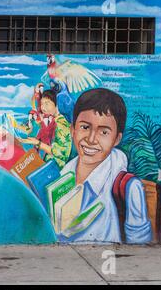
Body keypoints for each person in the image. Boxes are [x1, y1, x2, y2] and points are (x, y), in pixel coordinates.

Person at [60, 88, 152, 244]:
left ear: (116, 139)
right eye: (85, 127)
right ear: (72, 130)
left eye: (104, 132)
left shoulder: (130, 187)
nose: (91, 139)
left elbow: (139, 248)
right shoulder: (62, 176)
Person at [19, 90, 71, 168]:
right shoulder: (51, 120)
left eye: (47, 104)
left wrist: (38, 143)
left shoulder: (61, 123)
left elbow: (60, 153)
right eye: (42, 104)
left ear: (57, 105)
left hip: (55, 166)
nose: (43, 108)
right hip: (47, 162)